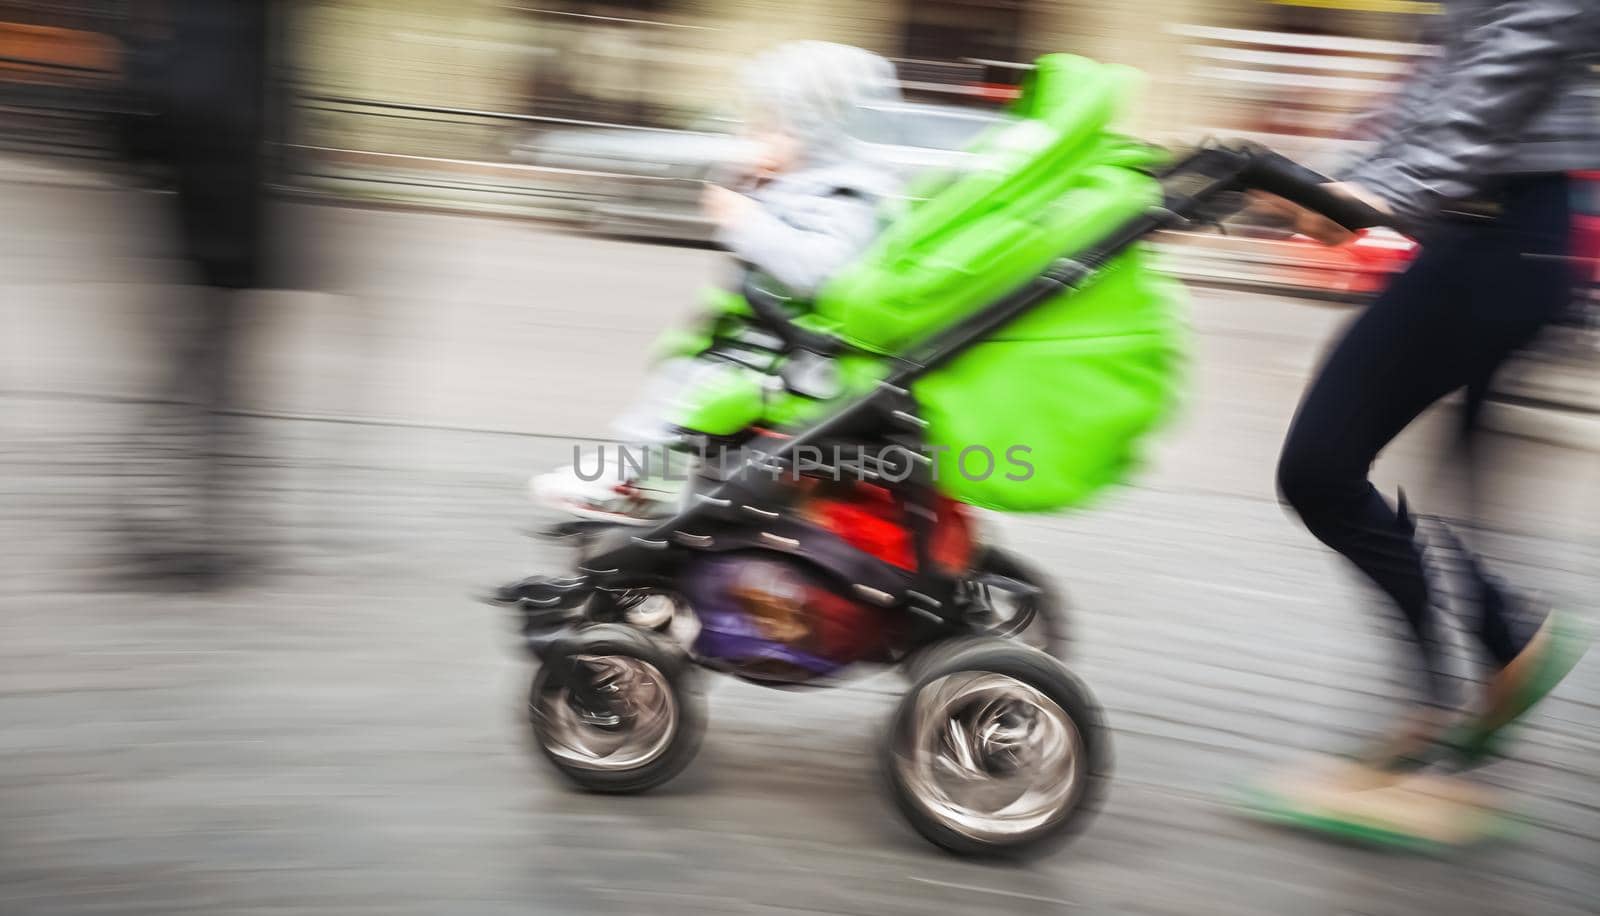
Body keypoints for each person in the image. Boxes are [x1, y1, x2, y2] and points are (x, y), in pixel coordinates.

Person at [1257, 0, 1598, 781]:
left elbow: (1510, 64)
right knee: (1413, 484)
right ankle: (1488, 662)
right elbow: (1436, 81)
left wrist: (1381, 191)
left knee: (1322, 467)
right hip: (1482, 236)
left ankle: (1469, 676)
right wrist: (1332, 181)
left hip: (1512, 238)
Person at [533, 41, 904, 522]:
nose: (754, 137)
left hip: (800, 359)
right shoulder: (816, 182)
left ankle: (640, 482)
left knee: (691, 391)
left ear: (820, 131)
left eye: (772, 128)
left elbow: (820, 269)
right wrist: (757, 186)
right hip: (769, 340)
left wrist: (747, 218)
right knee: (683, 372)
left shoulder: (849, 194)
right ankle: (651, 482)